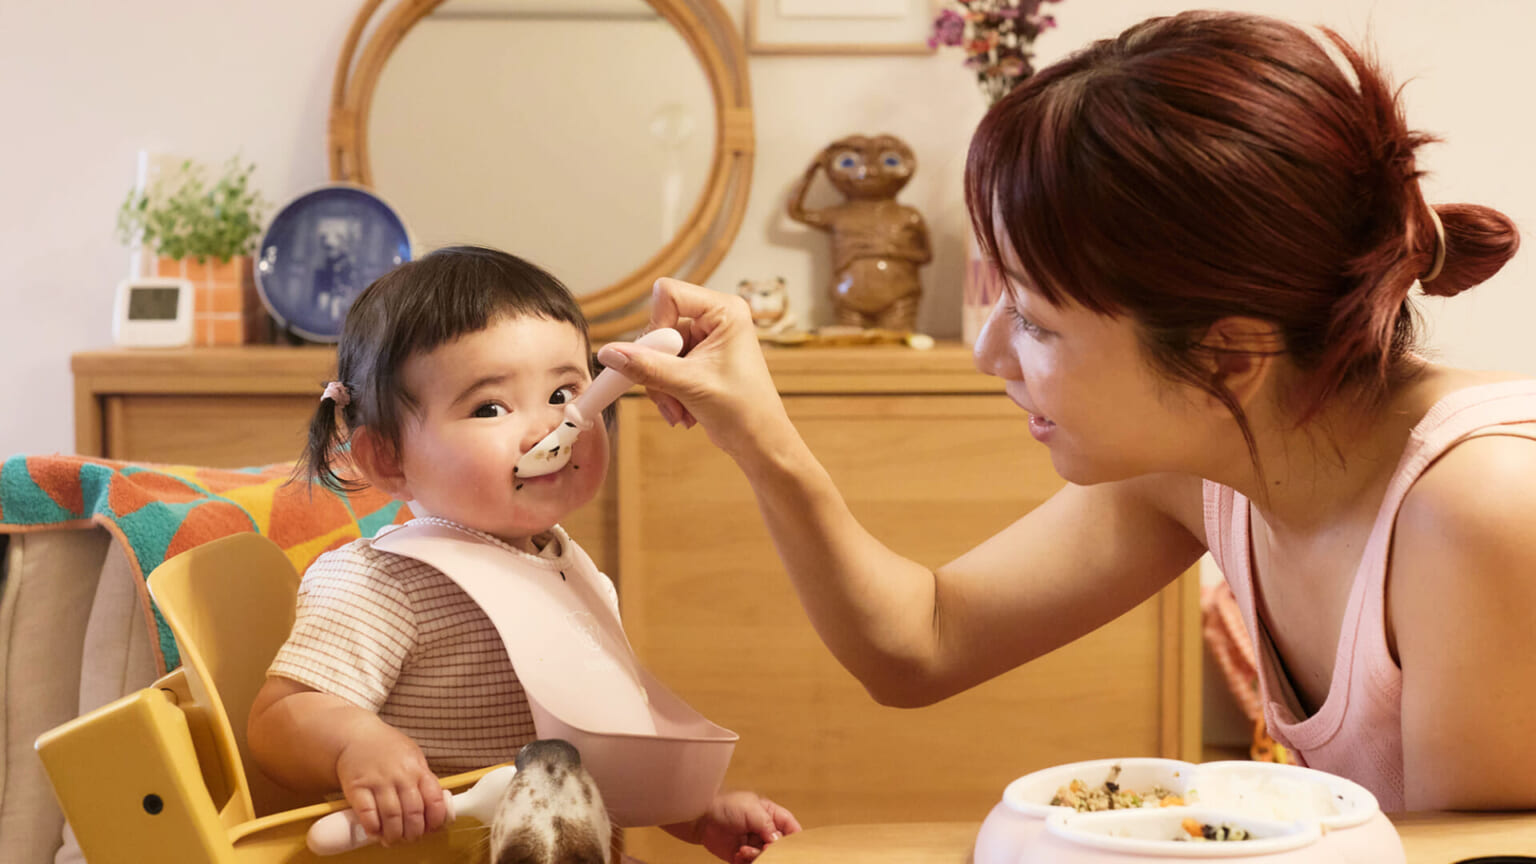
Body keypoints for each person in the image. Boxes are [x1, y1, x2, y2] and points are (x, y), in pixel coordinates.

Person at [592, 11, 1532, 813]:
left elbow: (1471, 857)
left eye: (1035, 321)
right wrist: (759, 434)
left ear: (1227, 356)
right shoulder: (1213, 449)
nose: (994, 354)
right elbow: (921, 645)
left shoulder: (1479, 511)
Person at [247, 246, 800, 861]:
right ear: (388, 458)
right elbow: (280, 718)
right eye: (490, 407)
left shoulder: (569, 570)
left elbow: (601, 752)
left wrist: (691, 815)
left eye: (566, 394)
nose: (549, 430)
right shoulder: (382, 582)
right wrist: (356, 742)